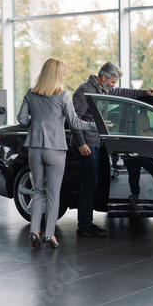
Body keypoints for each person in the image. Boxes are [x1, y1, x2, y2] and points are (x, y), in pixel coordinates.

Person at [70, 61, 153, 238]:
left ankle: (90, 220)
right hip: (86, 144)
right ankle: (84, 225)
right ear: (104, 78)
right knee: (89, 183)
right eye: (112, 82)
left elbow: (123, 92)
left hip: (99, 143)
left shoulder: (103, 88)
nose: (113, 86)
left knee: (97, 182)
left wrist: (144, 93)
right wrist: (81, 144)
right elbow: (73, 121)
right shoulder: (83, 91)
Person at [17, 57, 97, 249]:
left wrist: (34, 126)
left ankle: (35, 231)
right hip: (55, 150)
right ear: (56, 74)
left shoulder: (31, 93)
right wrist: (97, 126)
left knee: (38, 191)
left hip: (35, 149)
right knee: (53, 194)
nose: (65, 74)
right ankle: (49, 236)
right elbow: (75, 123)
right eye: (63, 71)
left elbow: (21, 119)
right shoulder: (63, 95)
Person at [123, 108, 153, 203]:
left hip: (134, 159)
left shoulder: (137, 134)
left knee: (134, 176)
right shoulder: (149, 134)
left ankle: (135, 193)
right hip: (142, 159)